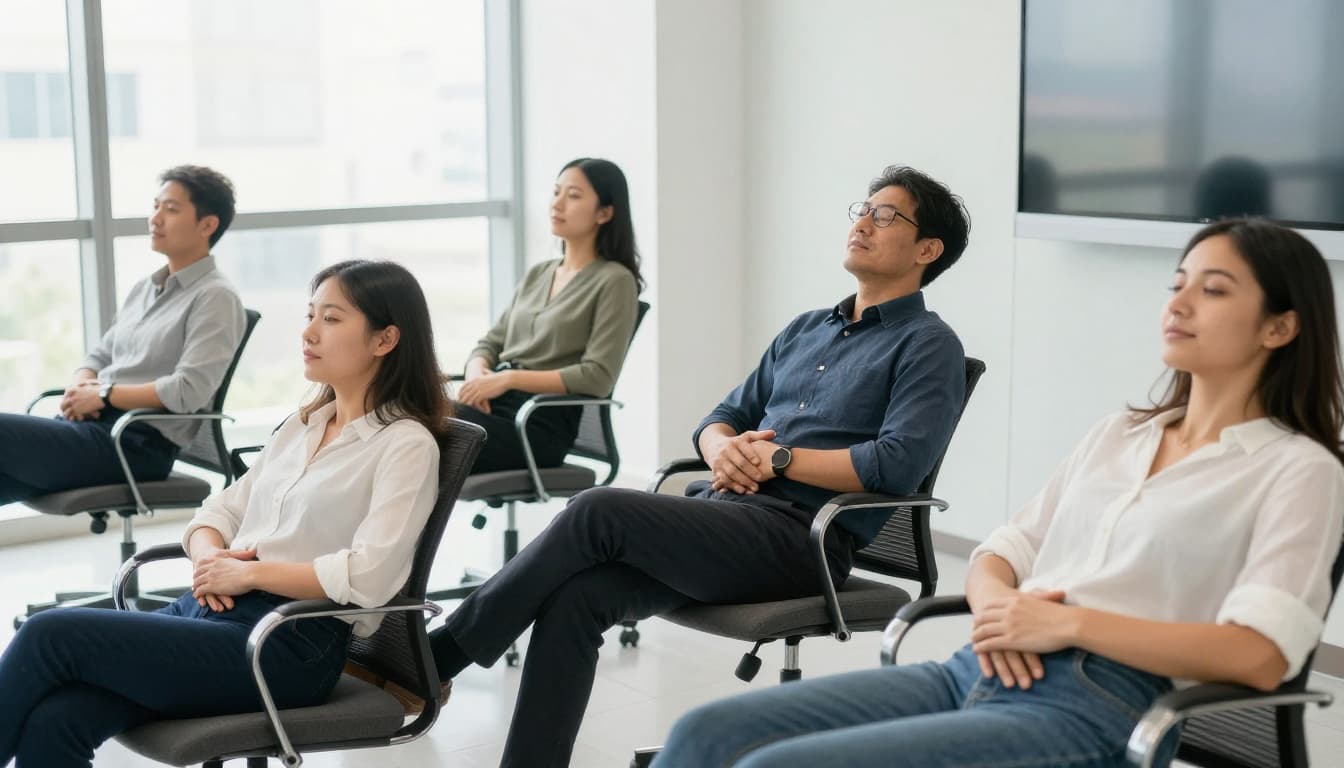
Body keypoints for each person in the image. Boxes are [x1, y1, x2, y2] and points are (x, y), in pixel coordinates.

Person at [654, 217, 1344, 768]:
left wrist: (1065, 624)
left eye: (1214, 289)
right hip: (974, 666)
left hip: (1101, 705)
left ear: (1280, 327)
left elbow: (1262, 654)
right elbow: (999, 553)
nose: (1180, 302)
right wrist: (1002, 614)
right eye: (1177, 283)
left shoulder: (1299, 469)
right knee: (707, 734)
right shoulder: (1122, 434)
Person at [428, 165, 973, 766]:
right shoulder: (806, 329)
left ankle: (434, 661)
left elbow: (896, 465)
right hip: (726, 515)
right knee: (576, 599)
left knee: (595, 510)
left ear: (928, 249)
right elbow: (721, 416)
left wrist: (777, 457)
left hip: (800, 541)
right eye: (863, 209)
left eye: (886, 215)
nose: (864, 222)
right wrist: (723, 450)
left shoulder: (927, 344)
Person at [0, 260, 451, 768]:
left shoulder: (405, 445)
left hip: (283, 644)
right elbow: (218, 509)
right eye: (309, 315)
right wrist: (211, 560)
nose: (308, 332)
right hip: (210, 612)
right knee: (56, 720)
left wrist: (249, 572)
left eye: (331, 319)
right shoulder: (301, 426)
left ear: (384, 340)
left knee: (50, 633)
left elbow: (371, 576)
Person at [0, 165, 246, 504]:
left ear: (207, 224)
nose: (155, 218)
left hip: (133, 444)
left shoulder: (215, 297)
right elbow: (100, 356)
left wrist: (104, 394)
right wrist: (82, 384)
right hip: (91, 430)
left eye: (171, 209)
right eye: (156, 206)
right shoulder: (146, 288)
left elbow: (189, 391)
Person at [455, 157, 642, 472]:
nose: (557, 204)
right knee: (402, 417)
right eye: (556, 192)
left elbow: (597, 376)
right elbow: (489, 343)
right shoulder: (539, 273)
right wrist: (478, 379)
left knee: (420, 419)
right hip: (491, 409)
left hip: (535, 426)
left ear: (605, 213)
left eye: (573, 196)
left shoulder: (615, 281)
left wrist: (507, 379)